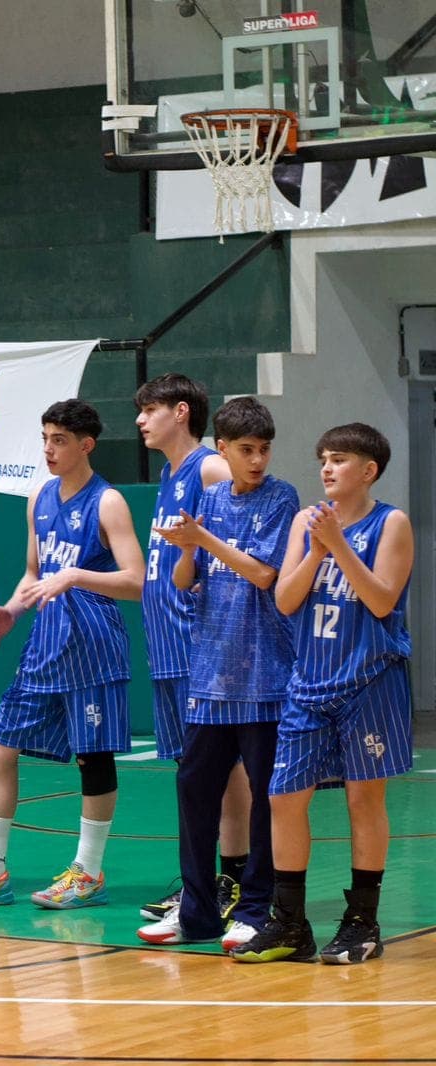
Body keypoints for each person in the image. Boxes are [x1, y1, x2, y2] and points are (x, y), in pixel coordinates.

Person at [0, 400, 144, 909]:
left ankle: (88, 872)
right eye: (45, 437)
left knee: (93, 757)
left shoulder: (108, 501)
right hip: (45, 642)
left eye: (60, 440)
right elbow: (33, 571)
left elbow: (136, 580)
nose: (48, 449)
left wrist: (77, 575)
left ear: (85, 445)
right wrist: (10, 610)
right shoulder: (38, 498)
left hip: (94, 642)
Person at [234, 423, 414, 965]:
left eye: (338, 460)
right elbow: (286, 600)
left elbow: (382, 601)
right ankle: (290, 924)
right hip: (309, 682)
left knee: (365, 799)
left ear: (368, 470)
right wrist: (316, 550)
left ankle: (362, 922)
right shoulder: (303, 521)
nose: (327, 469)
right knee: (283, 797)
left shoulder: (392, 523)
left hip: (370, 681)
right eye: (323, 460)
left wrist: (339, 545)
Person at [136, 397, 297, 951]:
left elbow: (263, 574)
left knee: (262, 798)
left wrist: (201, 540)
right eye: (246, 450)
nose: (256, 460)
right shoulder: (208, 498)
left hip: (265, 677)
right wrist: (185, 549)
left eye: (264, 450)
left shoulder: (282, 498)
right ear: (222, 450)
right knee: (194, 790)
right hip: (209, 673)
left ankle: (254, 909)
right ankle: (198, 911)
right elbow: (185, 582)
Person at [133, 373, 246, 923]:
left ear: (180, 411)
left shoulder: (209, 466)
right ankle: (204, 881)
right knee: (196, 773)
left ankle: (235, 877)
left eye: (149, 409)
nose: (139, 419)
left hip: (200, 644)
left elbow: (238, 540)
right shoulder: (170, 473)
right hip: (168, 644)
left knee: (223, 773)